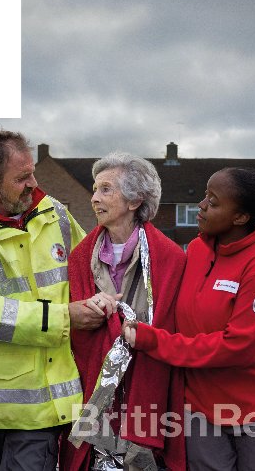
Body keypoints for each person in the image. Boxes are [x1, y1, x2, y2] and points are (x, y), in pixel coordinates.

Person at [0, 130, 115, 471]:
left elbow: (92, 269)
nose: (33, 183)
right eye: (21, 178)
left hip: (43, 406)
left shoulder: (56, 214)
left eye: (32, 173)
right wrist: (65, 317)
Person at [123, 168, 255, 471]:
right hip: (201, 410)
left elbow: (239, 347)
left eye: (213, 202)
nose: (201, 206)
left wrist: (153, 341)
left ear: (240, 217)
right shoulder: (196, 251)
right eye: (205, 196)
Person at [61, 152, 186, 471]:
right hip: (93, 394)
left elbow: (175, 331)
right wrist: (86, 313)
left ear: (134, 201)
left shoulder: (170, 258)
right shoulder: (79, 258)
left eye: (106, 189)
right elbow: (71, 332)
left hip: (147, 394)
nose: (94, 198)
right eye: (94, 189)